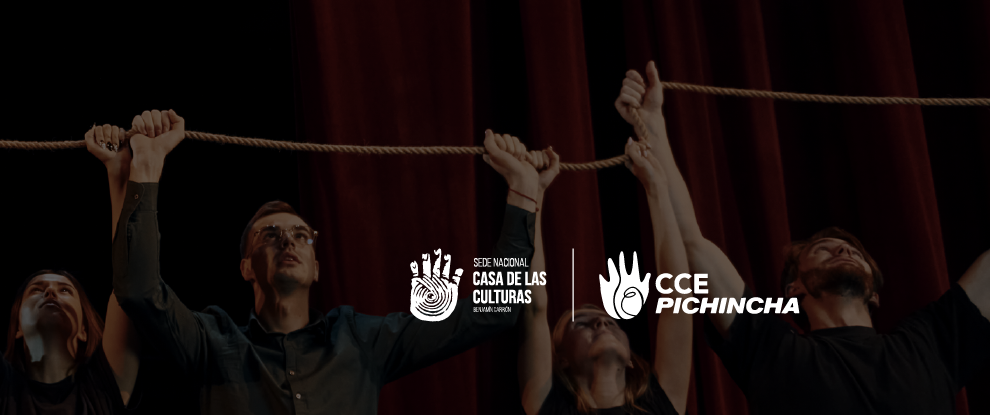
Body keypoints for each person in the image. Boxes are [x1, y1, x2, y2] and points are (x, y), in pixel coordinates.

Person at [110, 109, 541, 414]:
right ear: (245, 267)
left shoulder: (360, 341)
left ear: (316, 267)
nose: (288, 240)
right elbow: (138, 290)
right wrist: (146, 165)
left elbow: (494, 310)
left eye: (302, 235)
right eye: (269, 234)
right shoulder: (211, 342)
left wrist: (523, 191)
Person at [618, 61, 990, 413]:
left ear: (875, 293)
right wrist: (653, 125)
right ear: (793, 288)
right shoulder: (771, 348)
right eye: (823, 248)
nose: (842, 248)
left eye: (854, 252)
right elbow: (690, 243)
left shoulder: (930, 342)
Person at [0, 125, 139, 415]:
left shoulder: (104, 388)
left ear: (84, 330)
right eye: (36, 290)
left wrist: (119, 171)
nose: (50, 291)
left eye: (65, 291)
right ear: (16, 328)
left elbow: (130, 282)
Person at [519, 136, 692, 414]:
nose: (601, 323)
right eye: (580, 324)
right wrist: (533, 192)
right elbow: (534, 305)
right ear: (561, 360)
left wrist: (656, 187)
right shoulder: (550, 408)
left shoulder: (659, 404)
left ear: (630, 358)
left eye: (611, 323)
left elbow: (678, 298)